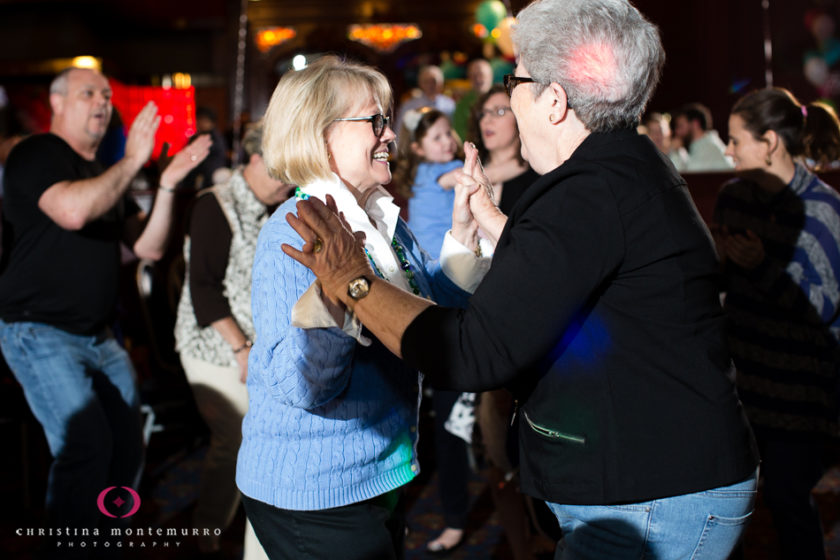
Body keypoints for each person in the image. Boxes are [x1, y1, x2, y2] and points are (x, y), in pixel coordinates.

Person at [281, 1, 761, 558]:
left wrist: (354, 281)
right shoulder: (619, 168)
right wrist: (499, 225)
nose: (511, 97)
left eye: (517, 79)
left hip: (652, 493)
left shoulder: (588, 190)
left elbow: (474, 353)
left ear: (554, 100)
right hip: (661, 476)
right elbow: (579, 278)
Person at [235, 56, 488, 560]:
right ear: (319, 134)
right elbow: (301, 386)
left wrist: (463, 233)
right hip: (317, 488)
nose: (390, 134)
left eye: (387, 120)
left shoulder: (379, 218)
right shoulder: (294, 229)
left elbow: (425, 317)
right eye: (375, 121)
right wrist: (335, 298)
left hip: (373, 475)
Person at [0, 66, 210, 556]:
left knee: (127, 448)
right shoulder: (38, 153)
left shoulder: (106, 172)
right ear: (56, 104)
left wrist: (168, 185)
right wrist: (134, 159)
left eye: (107, 95)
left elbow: (151, 247)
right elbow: (72, 211)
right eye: (87, 93)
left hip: (99, 334)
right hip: (37, 331)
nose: (101, 101)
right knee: (86, 447)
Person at [713, 87, 840, 559]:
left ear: (769, 142)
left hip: (797, 392)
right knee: (731, 503)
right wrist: (722, 263)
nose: (726, 151)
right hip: (743, 381)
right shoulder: (733, 198)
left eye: (734, 140)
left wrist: (761, 266)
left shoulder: (822, 210)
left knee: (788, 499)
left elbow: (823, 307)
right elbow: (726, 286)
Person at [174, 122, 289, 559]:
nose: (288, 184)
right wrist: (241, 348)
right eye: (281, 173)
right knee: (239, 435)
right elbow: (202, 288)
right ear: (254, 160)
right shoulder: (215, 205)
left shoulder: (277, 207)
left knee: (268, 438)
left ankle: (255, 537)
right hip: (214, 345)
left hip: (258, 346)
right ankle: (208, 528)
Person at [392, 107, 474, 555]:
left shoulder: (432, 172)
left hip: (441, 297)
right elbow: (460, 178)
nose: (446, 141)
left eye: (449, 133)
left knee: (445, 418)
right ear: (419, 149)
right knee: (443, 418)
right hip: (439, 299)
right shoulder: (435, 173)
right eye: (436, 136)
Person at [468, 84, 540, 214]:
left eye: (499, 111)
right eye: (483, 113)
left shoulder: (537, 178)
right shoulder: (465, 165)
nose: (486, 120)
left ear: (520, 116)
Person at [394, 65, 456, 145]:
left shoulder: (450, 105)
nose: (430, 85)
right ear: (420, 83)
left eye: (434, 81)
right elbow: (399, 131)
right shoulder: (409, 106)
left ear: (441, 83)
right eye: (426, 81)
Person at [672, 102, 735, 172]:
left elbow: (685, 177)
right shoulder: (705, 145)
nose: (677, 131)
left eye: (680, 126)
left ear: (695, 124)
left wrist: (676, 152)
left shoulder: (708, 148)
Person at [452, 58, 494, 140]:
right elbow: (459, 134)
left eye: (481, 74)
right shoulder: (462, 105)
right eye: (473, 76)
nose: (478, 79)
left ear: (490, 76)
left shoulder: (502, 99)